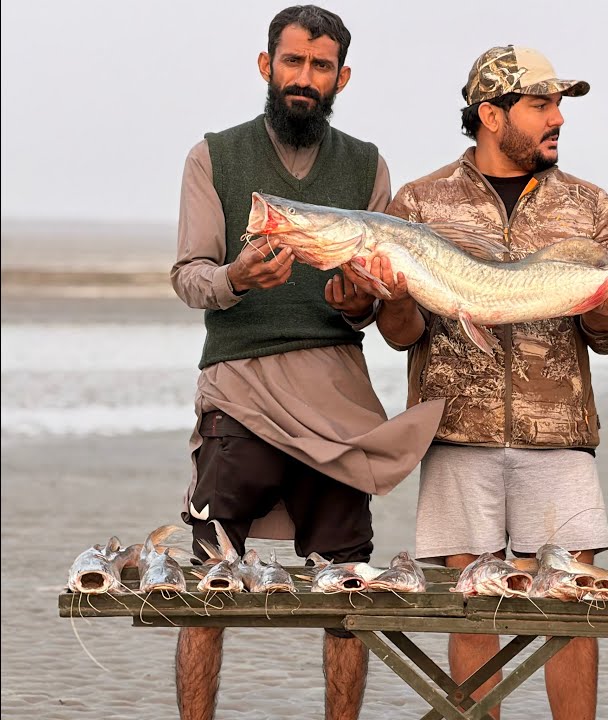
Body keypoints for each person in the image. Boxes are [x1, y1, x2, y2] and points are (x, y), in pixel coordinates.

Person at [168, 6, 440, 719]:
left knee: (347, 590)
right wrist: (235, 278)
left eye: (321, 67)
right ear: (267, 66)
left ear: (341, 78)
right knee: (209, 586)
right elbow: (189, 275)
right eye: (293, 62)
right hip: (238, 392)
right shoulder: (213, 157)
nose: (304, 78)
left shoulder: (368, 165)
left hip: (337, 402)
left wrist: (357, 303)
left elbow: (377, 301)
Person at [364, 45, 608, 720]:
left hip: (561, 438)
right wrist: (392, 295)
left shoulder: (589, 205)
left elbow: (605, 339)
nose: (558, 118)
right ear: (490, 114)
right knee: (474, 609)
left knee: (572, 610)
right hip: (455, 433)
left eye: (558, 105)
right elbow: (402, 335)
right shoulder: (418, 202)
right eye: (541, 105)